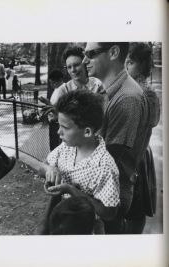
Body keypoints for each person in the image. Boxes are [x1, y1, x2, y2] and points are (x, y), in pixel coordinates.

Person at [82, 42, 150, 234]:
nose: (85, 60)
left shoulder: (127, 98)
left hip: (111, 193)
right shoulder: (107, 89)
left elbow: (111, 156)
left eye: (91, 53)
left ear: (113, 52)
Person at [37, 90, 120, 235]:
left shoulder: (105, 167)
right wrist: (50, 169)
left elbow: (109, 213)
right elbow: (41, 167)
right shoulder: (66, 147)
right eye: (59, 125)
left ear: (87, 132)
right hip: (61, 221)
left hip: (87, 230)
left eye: (65, 128)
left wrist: (70, 190)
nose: (58, 132)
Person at [124, 42, 160, 234]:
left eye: (129, 63)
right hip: (130, 155)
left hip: (136, 155)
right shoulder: (130, 89)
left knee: (135, 210)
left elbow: (147, 128)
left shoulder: (146, 93)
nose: (126, 67)